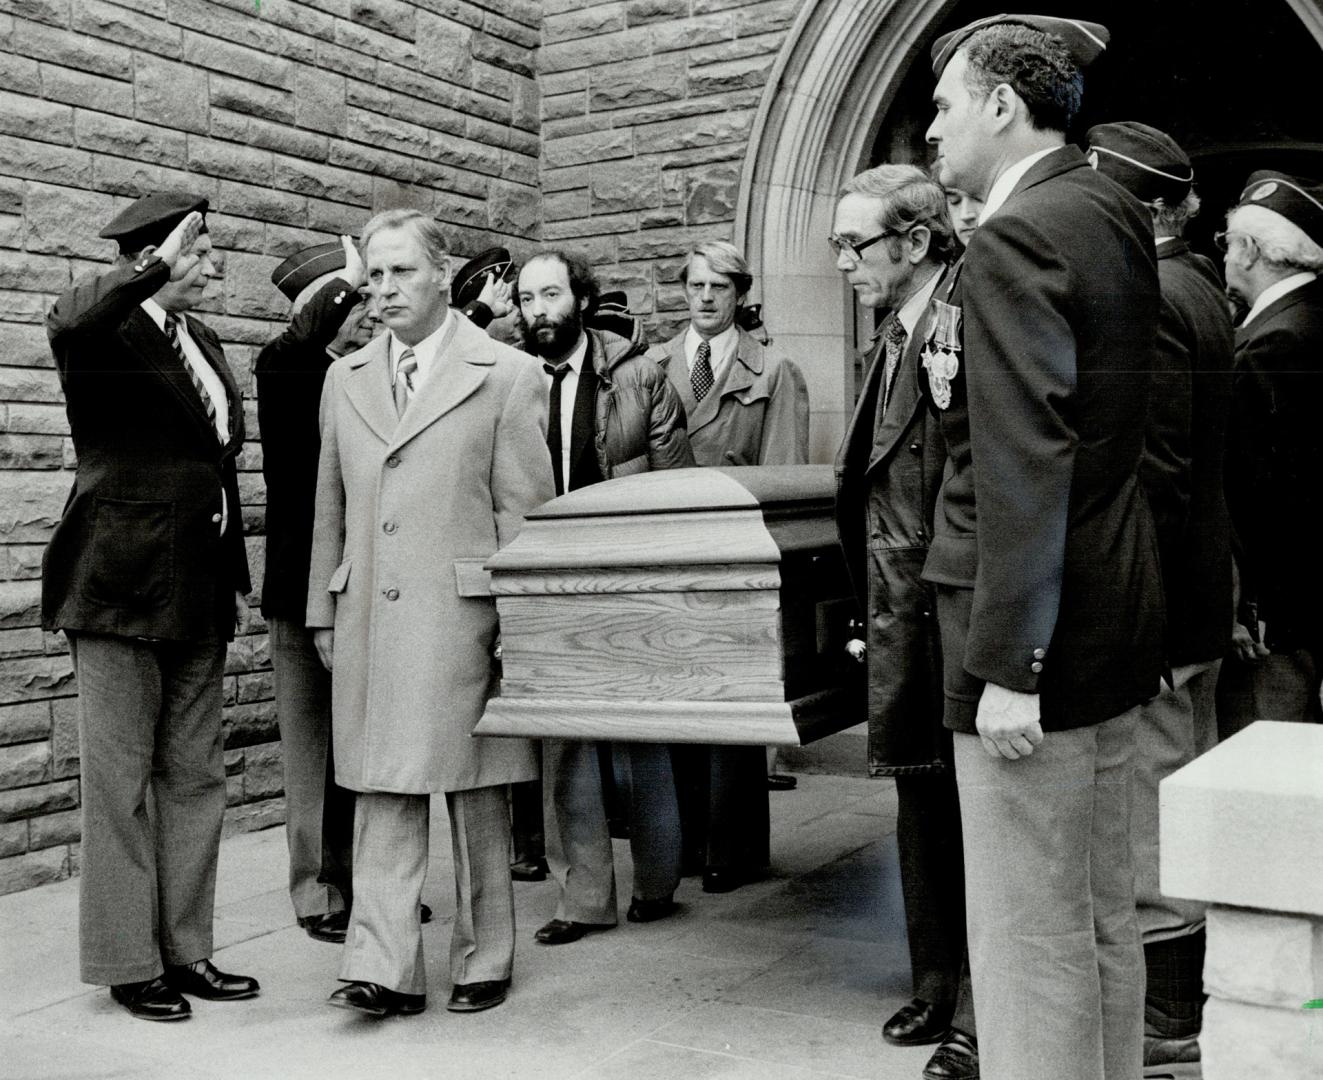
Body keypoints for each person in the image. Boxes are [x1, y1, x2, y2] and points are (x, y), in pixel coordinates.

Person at [924, 16, 1163, 1080]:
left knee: (1028, 939)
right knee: (1099, 917)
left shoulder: (1020, 234)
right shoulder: (1105, 207)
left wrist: (1011, 665)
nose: (932, 129)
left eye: (943, 105)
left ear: (1000, 107)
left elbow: (1028, 460)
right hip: (1107, 626)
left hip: (1038, 646)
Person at [307, 208, 553, 1017]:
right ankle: (383, 966)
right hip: (369, 613)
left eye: (400, 272)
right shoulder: (343, 379)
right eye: (372, 275)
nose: (383, 290)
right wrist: (321, 610)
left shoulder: (507, 375)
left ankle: (486, 957)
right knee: (382, 784)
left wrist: (524, 624)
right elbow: (328, 510)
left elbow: (525, 515)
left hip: (463, 616)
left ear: (441, 275)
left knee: (474, 788)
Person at [42, 193, 259, 1021]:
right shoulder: (102, 329)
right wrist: (151, 268)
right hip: (117, 588)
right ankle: (129, 961)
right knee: (120, 784)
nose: (211, 264)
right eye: (197, 250)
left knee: (196, 776)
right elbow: (70, 323)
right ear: (149, 256)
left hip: (198, 588)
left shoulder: (198, 339)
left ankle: (187, 950)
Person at [1086, 122, 1235, 1077]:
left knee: (1152, 818)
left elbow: (1161, 476)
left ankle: (1166, 1018)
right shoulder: (1201, 289)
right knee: (1179, 803)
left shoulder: (1156, 298)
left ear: (1134, 205)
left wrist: (1148, 622)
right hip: (1196, 597)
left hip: (1163, 610)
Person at [831, 165, 976, 1080]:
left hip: (945, 610)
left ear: (914, 241)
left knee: (961, 808)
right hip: (898, 608)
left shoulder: (957, 321)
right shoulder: (890, 336)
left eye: (856, 244)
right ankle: (934, 980)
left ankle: (968, 998)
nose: (842, 262)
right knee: (920, 804)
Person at [516, 249, 695, 945]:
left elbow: (675, 485)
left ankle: (657, 881)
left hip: (626, 571)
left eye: (551, 295)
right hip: (545, 575)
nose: (539, 311)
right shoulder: (512, 380)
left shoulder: (638, 374)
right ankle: (583, 897)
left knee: (641, 734)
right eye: (528, 299)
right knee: (564, 742)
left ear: (580, 300)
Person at [646, 240, 810, 895]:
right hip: (663, 553)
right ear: (682, 292)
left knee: (732, 707)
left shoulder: (774, 370)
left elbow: (788, 481)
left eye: (719, 286)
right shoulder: (652, 366)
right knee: (671, 703)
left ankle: (731, 850)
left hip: (735, 554)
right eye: (695, 285)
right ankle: (678, 844)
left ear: (739, 293)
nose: (706, 297)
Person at [256, 238, 379, 945]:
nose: (362, 311)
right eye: (351, 298)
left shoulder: (361, 372)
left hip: (360, 584)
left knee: (358, 743)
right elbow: (308, 336)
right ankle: (315, 893)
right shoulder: (284, 364)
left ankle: (367, 884)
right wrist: (349, 282)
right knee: (310, 750)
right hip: (301, 588)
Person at [1217, 171, 1323, 732]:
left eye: (1228, 245)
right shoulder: (1306, 320)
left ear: (1251, 250)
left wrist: (1249, 611)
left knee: (1263, 776)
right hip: (1300, 613)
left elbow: (1266, 501)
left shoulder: (1274, 342)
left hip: (1276, 622)